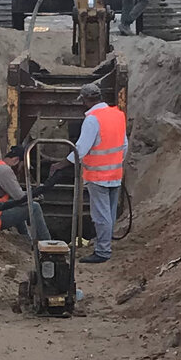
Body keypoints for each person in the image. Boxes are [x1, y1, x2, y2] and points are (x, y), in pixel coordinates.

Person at [67, 84, 126, 263]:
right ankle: (104, 243)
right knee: (109, 213)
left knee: (101, 215)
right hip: (115, 174)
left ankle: (102, 251)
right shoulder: (118, 114)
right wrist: (115, 163)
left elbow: (81, 148)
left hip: (98, 176)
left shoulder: (92, 119)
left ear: (85, 100)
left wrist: (63, 164)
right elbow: (124, 145)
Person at [0, 146, 52, 240]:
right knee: (34, 207)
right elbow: (21, 198)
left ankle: (25, 238)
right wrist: (34, 196)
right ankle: (48, 245)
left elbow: (16, 196)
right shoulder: (5, 171)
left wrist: (30, 195)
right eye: (22, 166)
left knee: (14, 203)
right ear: (16, 160)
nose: (21, 171)